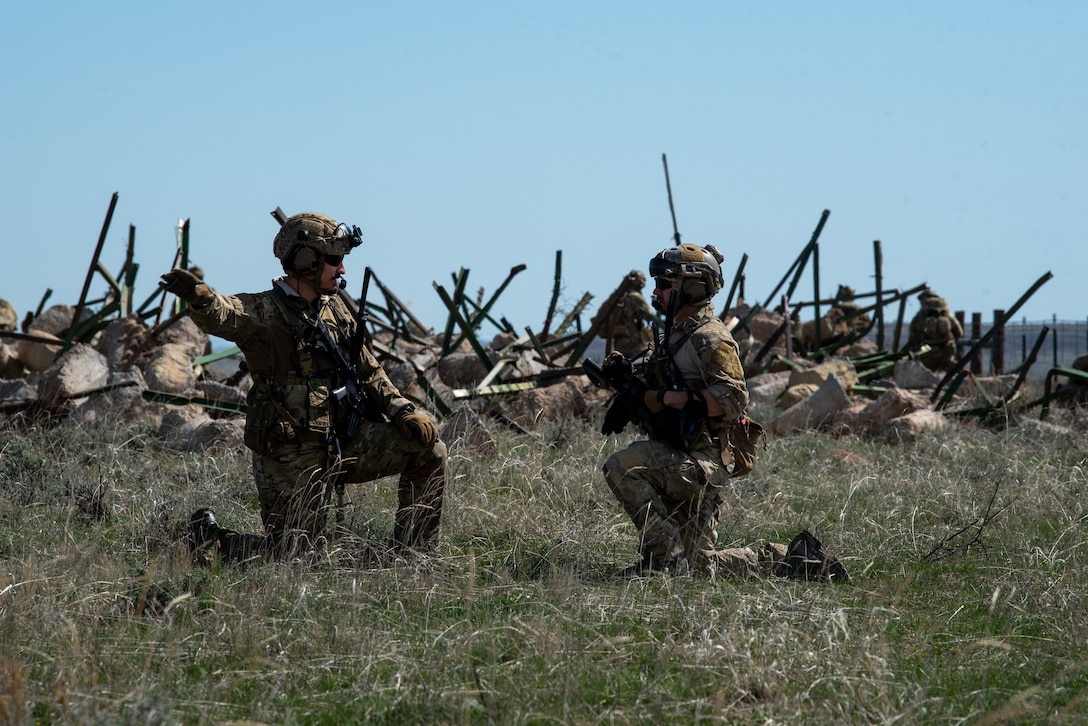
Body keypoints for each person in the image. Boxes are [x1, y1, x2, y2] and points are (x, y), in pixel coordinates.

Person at [160, 212, 447, 564]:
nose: (342, 269)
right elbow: (224, 313)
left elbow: (368, 369)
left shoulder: (334, 309)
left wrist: (401, 409)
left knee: (429, 450)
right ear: (306, 260)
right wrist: (200, 297)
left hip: (341, 443)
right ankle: (213, 544)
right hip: (289, 453)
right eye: (335, 260)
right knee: (295, 558)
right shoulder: (263, 311)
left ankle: (412, 555)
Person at [597, 242, 753, 578]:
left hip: (703, 462)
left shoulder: (711, 338)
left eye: (665, 285)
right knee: (701, 568)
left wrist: (673, 399)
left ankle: (659, 559)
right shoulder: (673, 336)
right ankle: (791, 559)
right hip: (678, 452)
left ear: (692, 287)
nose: (656, 292)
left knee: (621, 465)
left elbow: (733, 399)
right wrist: (629, 394)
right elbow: (658, 389)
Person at [592, 270, 656, 358]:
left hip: (619, 345)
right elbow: (649, 314)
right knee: (651, 359)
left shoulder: (615, 298)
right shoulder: (635, 297)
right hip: (634, 344)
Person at [906, 288, 964, 372]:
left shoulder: (920, 317)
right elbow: (959, 333)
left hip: (927, 354)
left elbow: (913, 338)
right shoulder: (946, 314)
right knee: (952, 374)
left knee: (927, 378)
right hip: (946, 351)